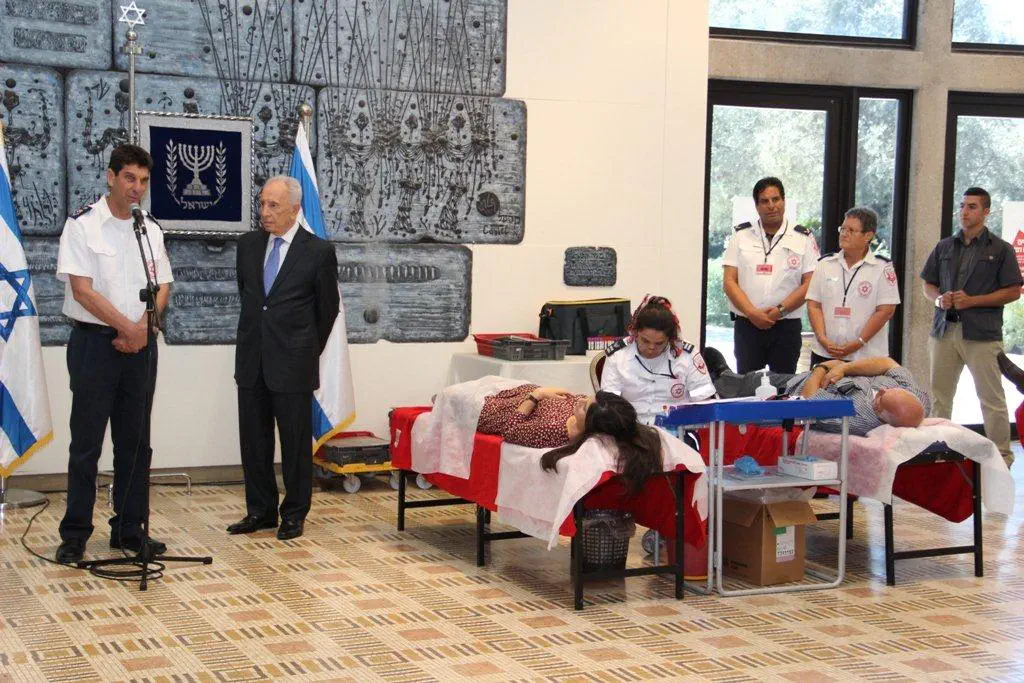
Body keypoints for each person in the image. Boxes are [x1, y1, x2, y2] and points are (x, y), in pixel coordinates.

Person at [54, 144, 174, 564]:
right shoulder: (83, 225)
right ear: (111, 176)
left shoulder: (150, 228)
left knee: (135, 443)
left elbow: (163, 286)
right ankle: (75, 534)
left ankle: (129, 529)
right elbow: (82, 291)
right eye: (129, 178)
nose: (136, 187)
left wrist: (144, 329)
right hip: (95, 346)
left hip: (141, 346)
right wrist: (128, 328)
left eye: (143, 180)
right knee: (86, 444)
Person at [227, 176, 340, 540]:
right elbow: (250, 299)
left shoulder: (317, 251)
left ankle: (294, 513)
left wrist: (303, 350)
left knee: (294, 444)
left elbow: (327, 310)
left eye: (273, 205)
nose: (265, 212)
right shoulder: (247, 246)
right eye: (262, 204)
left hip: (293, 363)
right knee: (254, 442)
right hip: (252, 361)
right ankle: (260, 511)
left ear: (294, 209)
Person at [920, 187, 1022, 469]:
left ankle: (1002, 458)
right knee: (940, 397)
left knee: (991, 399)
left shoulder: (1000, 249)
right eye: (962, 206)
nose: (964, 212)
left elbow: (1014, 291)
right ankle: (939, 452)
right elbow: (928, 284)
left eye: (972, 207)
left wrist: (973, 301)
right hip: (944, 331)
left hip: (982, 334)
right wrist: (938, 299)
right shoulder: (944, 247)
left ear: (986, 211)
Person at [475, 385, 664, 494]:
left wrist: (535, 396)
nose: (579, 401)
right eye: (588, 398)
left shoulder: (555, 430)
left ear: (591, 424)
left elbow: (510, 429)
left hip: (492, 407)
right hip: (513, 392)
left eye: (584, 407)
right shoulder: (591, 412)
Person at [702, 347, 928, 437]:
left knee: (749, 383)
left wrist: (822, 368)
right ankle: (723, 376)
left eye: (882, 395)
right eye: (889, 388)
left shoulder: (856, 417)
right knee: (757, 377)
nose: (884, 388)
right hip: (834, 372)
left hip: (792, 390)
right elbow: (887, 363)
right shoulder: (915, 400)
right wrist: (844, 368)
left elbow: (808, 401)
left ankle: (722, 377)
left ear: (878, 410)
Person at [722, 177, 818, 373]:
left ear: (784, 201)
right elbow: (729, 281)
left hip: (786, 326)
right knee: (748, 385)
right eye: (764, 201)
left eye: (776, 199)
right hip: (748, 325)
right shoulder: (741, 235)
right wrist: (752, 313)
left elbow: (810, 282)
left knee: (784, 385)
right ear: (757, 206)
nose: (771, 206)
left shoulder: (803, 237)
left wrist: (779, 311)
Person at [600, 296, 716, 426]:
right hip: (632, 428)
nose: (651, 347)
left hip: (678, 428)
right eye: (645, 341)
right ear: (635, 333)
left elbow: (704, 402)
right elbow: (609, 405)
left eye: (659, 343)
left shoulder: (687, 355)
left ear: (670, 338)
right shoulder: (617, 355)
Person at [806, 207, 900, 365]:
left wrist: (859, 342)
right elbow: (814, 305)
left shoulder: (882, 268)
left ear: (868, 236)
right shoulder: (825, 264)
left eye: (851, 230)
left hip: (866, 355)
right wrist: (822, 338)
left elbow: (886, 310)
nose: (844, 234)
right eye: (842, 229)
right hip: (824, 352)